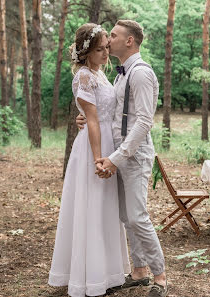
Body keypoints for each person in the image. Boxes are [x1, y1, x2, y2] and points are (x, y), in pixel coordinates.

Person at [77, 20, 168, 297]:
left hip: (134, 154)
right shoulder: (118, 74)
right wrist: (84, 116)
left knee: (138, 216)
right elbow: (110, 111)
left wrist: (116, 157)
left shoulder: (140, 74)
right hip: (118, 153)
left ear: (129, 41)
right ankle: (139, 271)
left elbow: (143, 122)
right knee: (126, 216)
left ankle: (160, 276)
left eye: (113, 36)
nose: (108, 41)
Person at [48, 23, 130, 297]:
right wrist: (98, 158)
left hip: (109, 140)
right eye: (99, 49)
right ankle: (89, 276)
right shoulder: (84, 76)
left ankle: (108, 272)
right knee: (92, 207)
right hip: (95, 146)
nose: (106, 53)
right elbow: (92, 119)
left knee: (106, 207)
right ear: (85, 53)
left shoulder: (100, 74)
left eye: (107, 47)